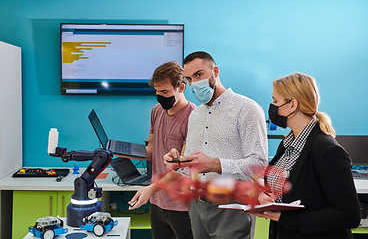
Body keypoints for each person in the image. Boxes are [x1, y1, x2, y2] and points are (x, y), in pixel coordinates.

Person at [164, 51, 268, 239]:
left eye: (199, 75)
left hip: (232, 207)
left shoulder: (247, 109)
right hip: (197, 206)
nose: (194, 83)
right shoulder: (195, 115)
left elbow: (259, 164)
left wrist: (217, 164)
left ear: (215, 71)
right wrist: (178, 164)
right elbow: (196, 166)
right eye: (189, 79)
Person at [252, 72, 361, 239]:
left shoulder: (328, 150)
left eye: (275, 101)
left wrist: (285, 217)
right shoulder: (288, 144)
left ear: (292, 105)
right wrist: (265, 197)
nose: (272, 107)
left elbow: (348, 214)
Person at [122, 61, 196, 239]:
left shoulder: (194, 116)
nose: (160, 96)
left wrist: (151, 189)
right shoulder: (157, 111)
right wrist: (116, 151)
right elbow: (150, 152)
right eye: (157, 91)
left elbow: (183, 167)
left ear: (181, 87)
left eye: (165, 92)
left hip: (182, 207)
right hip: (157, 203)